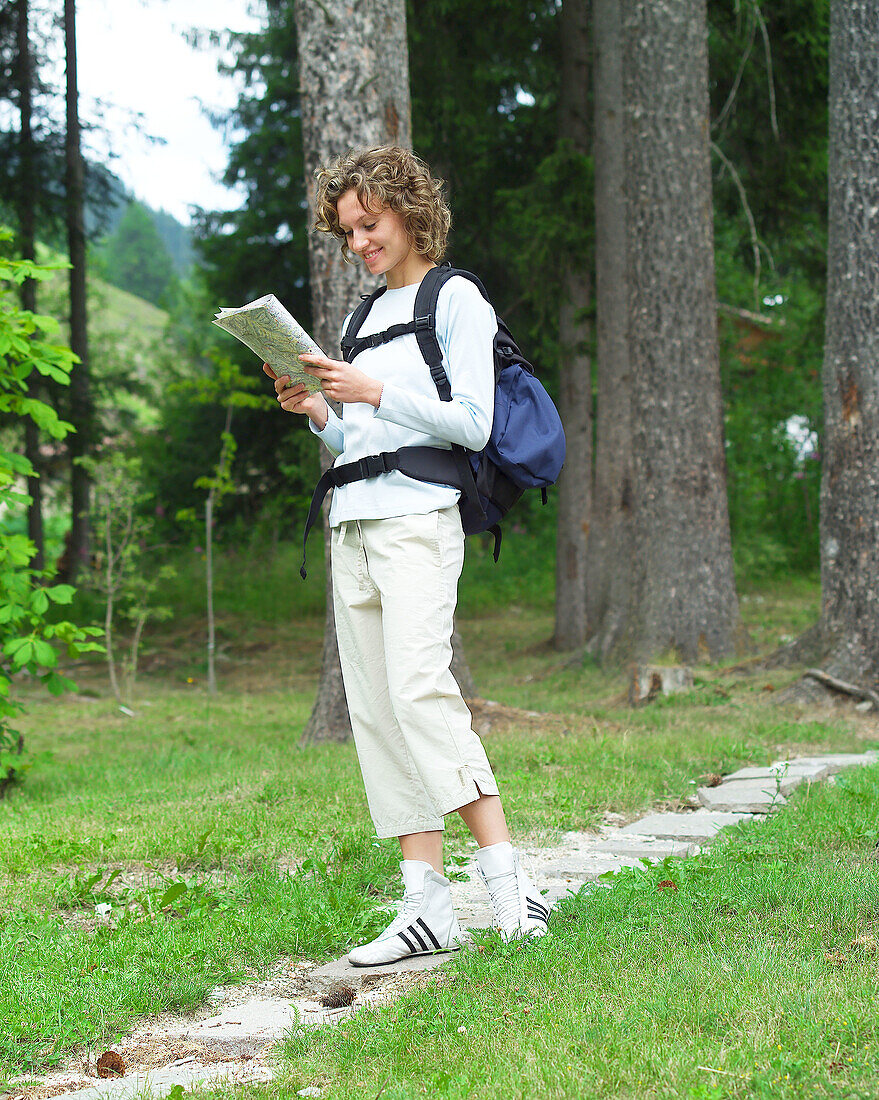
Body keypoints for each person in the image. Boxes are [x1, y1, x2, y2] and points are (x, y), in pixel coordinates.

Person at [264, 145, 550, 966]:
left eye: (370, 223)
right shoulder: (359, 319)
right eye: (349, 231)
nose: (358, 241)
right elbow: (361, 436)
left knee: (423, 692)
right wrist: (320, 409)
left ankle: (506, 879)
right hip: (352, 523)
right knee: (379, 712)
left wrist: (372, 390)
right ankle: (424, 904)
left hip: (420, 521)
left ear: (409, 211)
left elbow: (472, 422)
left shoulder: (455, 298)